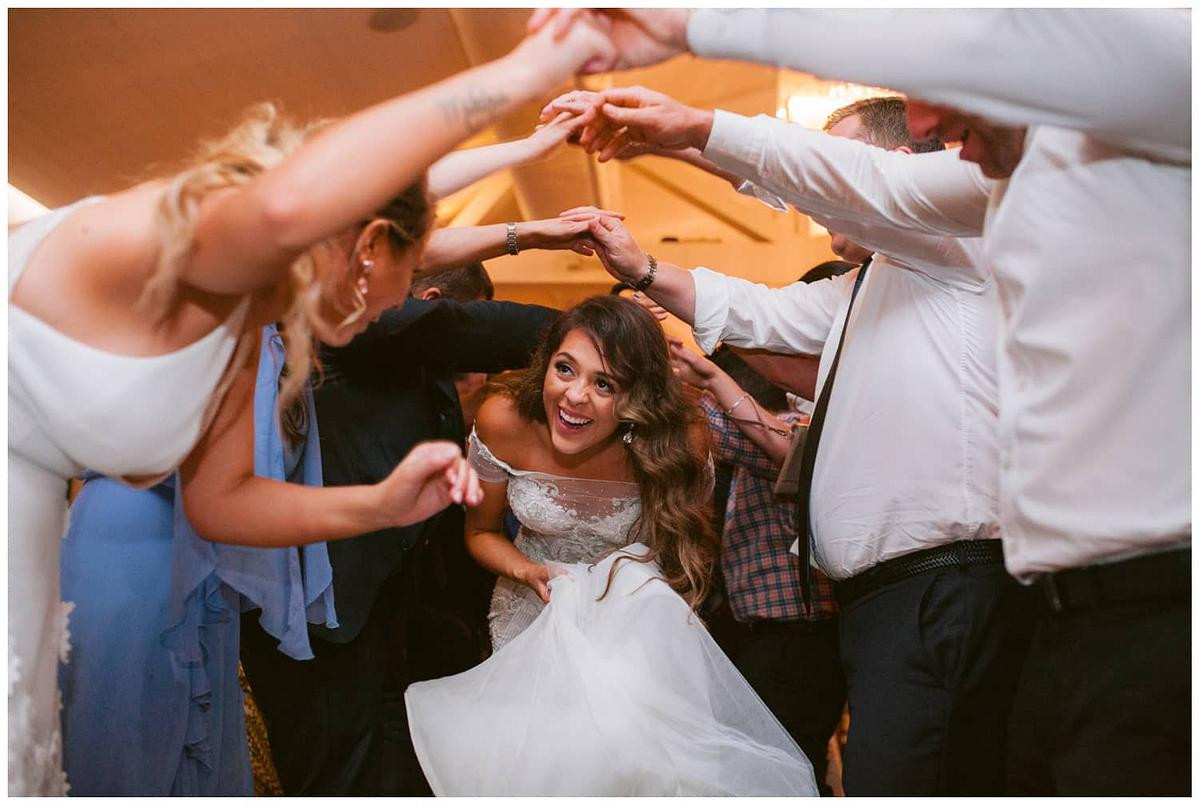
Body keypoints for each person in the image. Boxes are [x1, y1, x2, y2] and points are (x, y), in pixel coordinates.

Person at [540, 8, 1190, 795]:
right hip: (1003, 607)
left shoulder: (971, 228)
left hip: (1027, 592)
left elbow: (876, 181)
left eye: (934, 88)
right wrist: (644, 264)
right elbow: (758, 306)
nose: (928, 122)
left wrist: (691, 41)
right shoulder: (889, 270)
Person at [9, 14, 613, 793]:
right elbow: (300, 203)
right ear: (366, 249)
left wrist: (379, 505)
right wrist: (536, 68)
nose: (391, 309)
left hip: (116, 557)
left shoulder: (238, 324)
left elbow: (222, 503)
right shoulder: (198, 248)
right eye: (401, 280)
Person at [562, 92, 1036, 795]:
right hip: (893, 601)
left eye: (837, 157)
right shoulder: (869, 285)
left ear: (896, 166)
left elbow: (847, 185)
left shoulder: (958, 244)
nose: (821, 185)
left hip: (943, 588)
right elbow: (756, 311)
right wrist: (641, 268)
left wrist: (689, 132)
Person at [405, 296, 817, 796]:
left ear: (640, 396)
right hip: (529, 615)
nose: (574, 396)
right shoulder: (504, 420)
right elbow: (480, 533)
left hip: (637, 632)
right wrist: (526, 571)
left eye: (605, 384)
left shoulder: (680, 439)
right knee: (532, 769)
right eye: (565, 368)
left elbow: (687, 548)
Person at [239, 261, 559, 795]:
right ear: (429, 302)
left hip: (377, 607)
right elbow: (479, 329)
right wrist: (593, 328)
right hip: (312, 607)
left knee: (377, 763)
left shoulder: (407, 356)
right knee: (331, 775)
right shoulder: (351, 325)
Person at [672, 342, 846, 796]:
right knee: (782, 767)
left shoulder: (791, 429)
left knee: (784, 770)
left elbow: (718, 430)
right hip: (772, 636)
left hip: (795, 639)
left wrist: (690, 379)